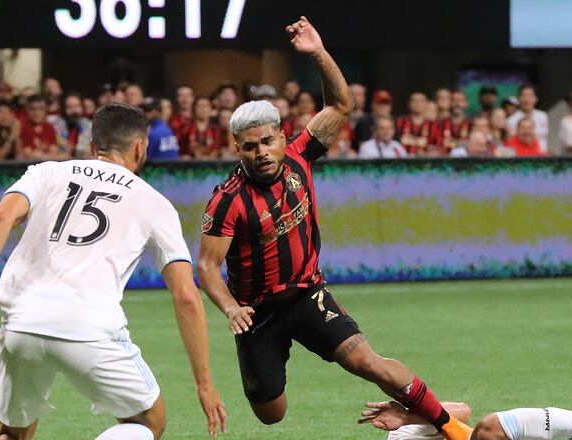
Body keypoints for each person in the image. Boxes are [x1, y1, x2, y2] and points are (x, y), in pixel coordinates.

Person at [196, 16, 473, 440]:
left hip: (308, 294)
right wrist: (231, 309)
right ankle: (426, 407)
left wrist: (318, 54)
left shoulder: (301, 155)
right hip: (258, 316)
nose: (262, 153)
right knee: (271, 413)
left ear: (281, 135)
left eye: (267, 141)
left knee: (369, 363)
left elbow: (340, 104)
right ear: (238, 148)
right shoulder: (228, 200)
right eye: (250, 147)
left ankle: (447, 424)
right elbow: (206, 268)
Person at [0, 103, 227, 440]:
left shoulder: (46, 172)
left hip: (21, 321)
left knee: (12, 434)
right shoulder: (155, 202)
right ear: (140, 147)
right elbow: (186, 294)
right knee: (148, 422)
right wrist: (204, 383)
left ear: (91, 146)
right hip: (90, 328)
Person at [359, 400, 572, 440]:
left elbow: (462, 411)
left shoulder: (401, 432)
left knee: (488, 427)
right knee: (490, 425)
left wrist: (408, 413)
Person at [19, 94, 65, 160]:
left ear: (46, 110)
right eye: (32, 109)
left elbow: (54, 151)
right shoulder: (22, 127)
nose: (36, 113)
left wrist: (41, 155)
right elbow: (27, 154)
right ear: (27, 110)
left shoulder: (49, 127)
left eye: (41, 109)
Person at [48, 92, 93, 158]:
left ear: (82, 108)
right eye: (69, 107)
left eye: (76, 106)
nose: (73, 110)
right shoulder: (56, 125)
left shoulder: (90, 126)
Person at [506, 84, 549, 152]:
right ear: (519, 98)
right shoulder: (511, 120)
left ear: (536, 98)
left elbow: (545, 138)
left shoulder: (543, 116)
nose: (527, 99)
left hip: (542, 156)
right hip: (521, 157)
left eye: (530, 96)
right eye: (524, 95)